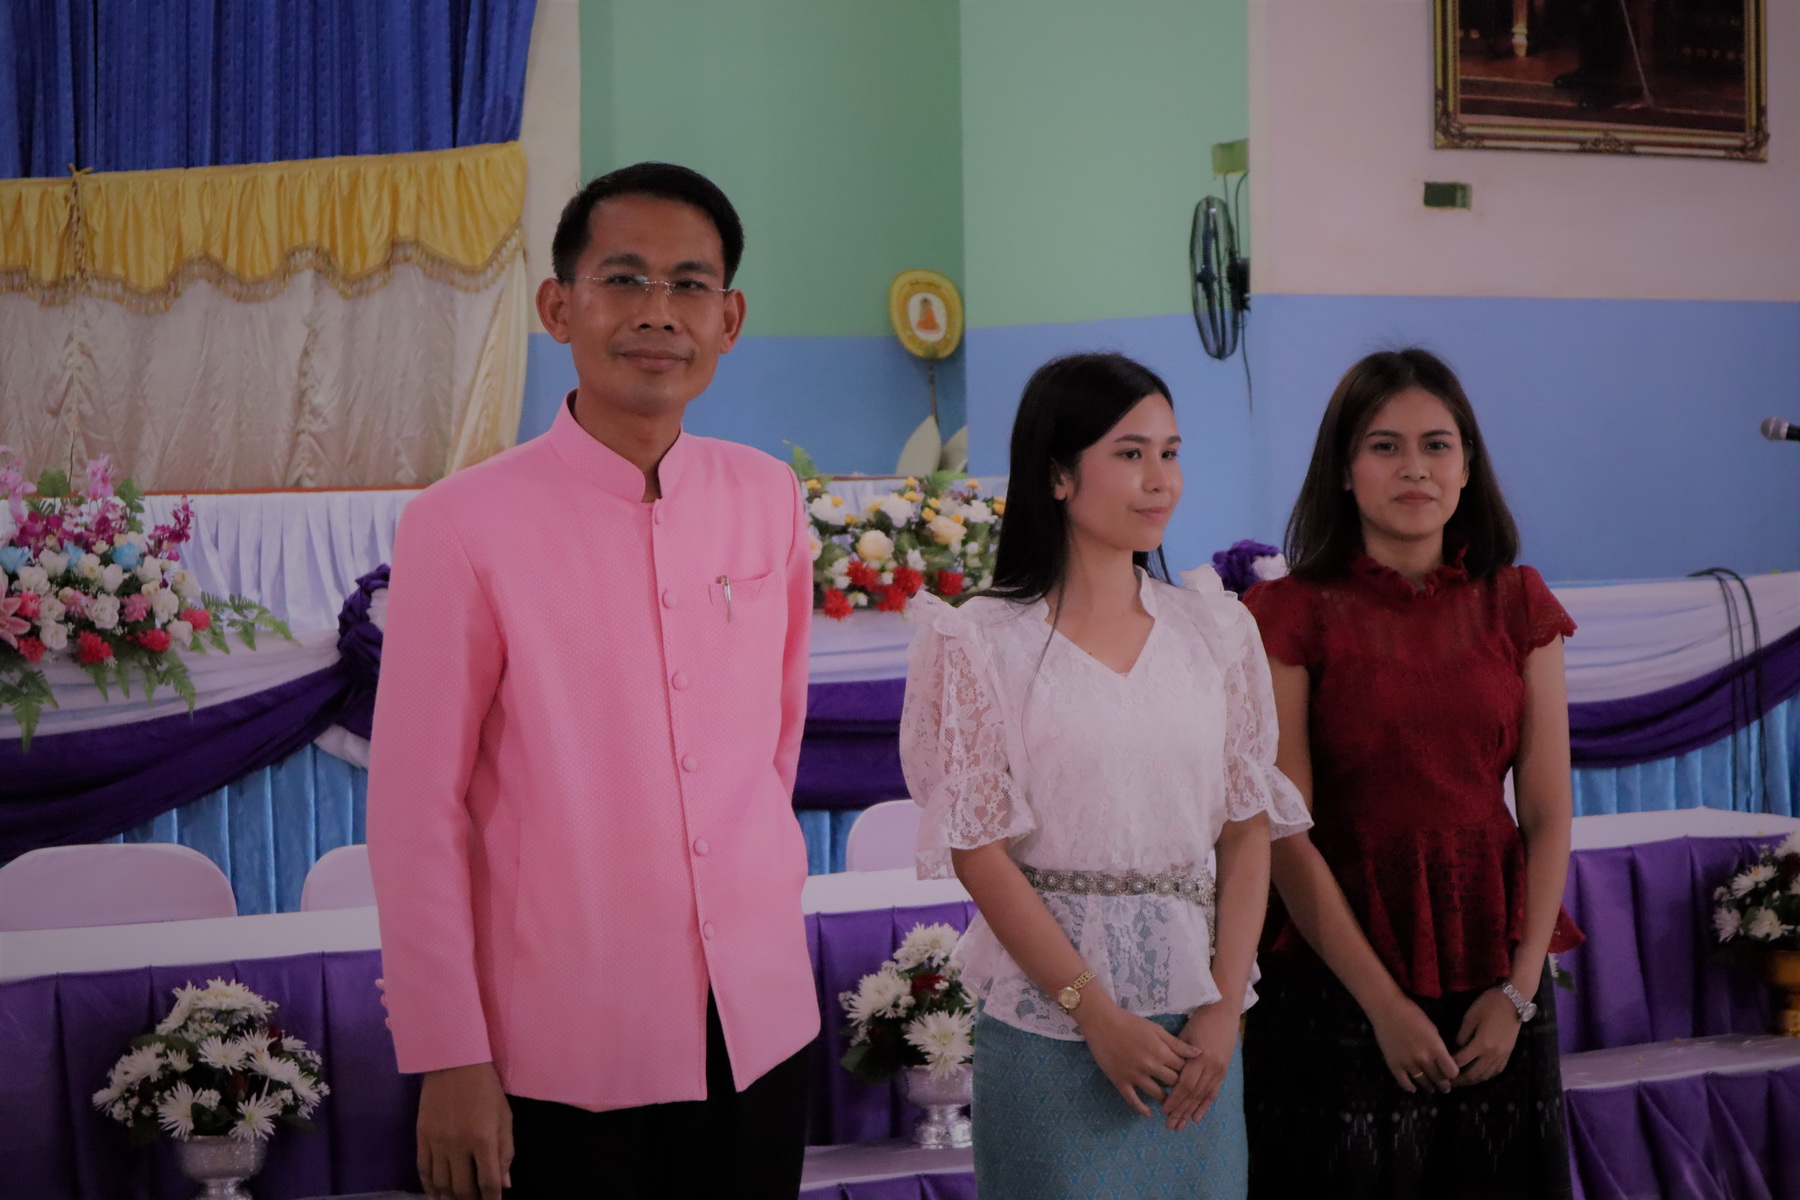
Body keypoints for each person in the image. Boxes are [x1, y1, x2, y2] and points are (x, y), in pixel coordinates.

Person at [366, 162, 818, 1200]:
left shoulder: (768, 495)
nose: (659, 313)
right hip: (558, 1044)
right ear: (558, 306)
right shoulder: (462, 524)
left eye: (690, 285)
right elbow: (415, 809)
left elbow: (777, 743)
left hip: (757, 1026)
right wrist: (449, 1052)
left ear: (729, 318)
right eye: (624, 279)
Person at [898, 353, 1312, 1200]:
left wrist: (1223, 1009)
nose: (1161, 480)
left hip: (1198, 1035)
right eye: (1130, 454)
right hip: (1048, 1027)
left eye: (1171, 452)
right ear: (1057, 474)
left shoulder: (1216, 631)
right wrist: (1095, 1015)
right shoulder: (980, 640)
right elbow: (980, 851)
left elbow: (1246, 829)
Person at [1241, 348, 1583, 1199]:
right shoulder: (1287, 612)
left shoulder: (1518, 601)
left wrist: (1518, 993)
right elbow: (1284, 826)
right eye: (1384, 446)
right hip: (1334, 965)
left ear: (1466, 467)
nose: (1415, 468)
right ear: (1344, 469)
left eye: (1437, 445)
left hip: (1494, 967)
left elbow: (1548, 813)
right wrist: (1384, 1006)